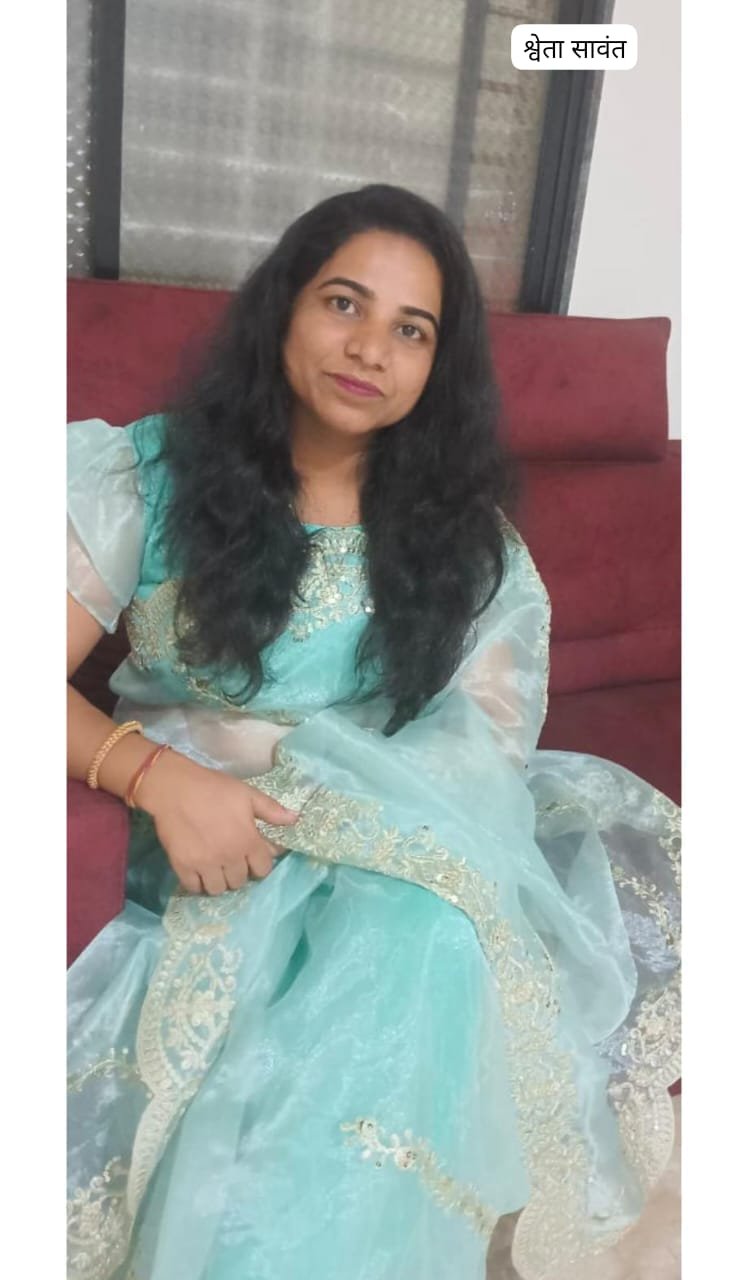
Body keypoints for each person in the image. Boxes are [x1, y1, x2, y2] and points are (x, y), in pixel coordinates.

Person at [67, 184, 680, 1280]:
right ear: (283, 306)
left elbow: (482, 746)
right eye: (343, 303)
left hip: (395, 841)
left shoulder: (463, 540)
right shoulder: (148, 476)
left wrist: (351, 817)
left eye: (412, 330)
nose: (370, 350)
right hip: (210, 842)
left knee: (423, 932)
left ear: (439, 366)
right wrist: (153, 776)